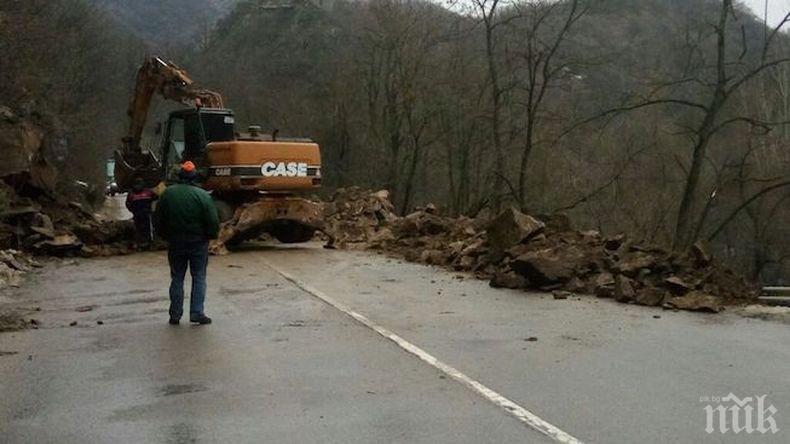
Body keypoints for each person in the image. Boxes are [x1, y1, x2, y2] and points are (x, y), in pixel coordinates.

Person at [155, 161, 219, 325]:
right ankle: (197, 313)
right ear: (194, 176)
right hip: (198, 243)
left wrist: (165, 236)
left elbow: (158, 219)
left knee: (177, 277)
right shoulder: (202, 195)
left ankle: (175, 315)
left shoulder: (167, 194)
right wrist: (210, 236)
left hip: (176, 242)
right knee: (198, 276)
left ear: (180, 176)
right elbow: (212, 221)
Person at [125, 177, 157, 249]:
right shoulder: (148, 192)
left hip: (137, 214)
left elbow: (127, 204)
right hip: (146, 214)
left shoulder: (131, 193)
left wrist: (132, 210)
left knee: (138, 229)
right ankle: (148, 243)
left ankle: (139, 244)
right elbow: (156, 197)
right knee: (147, 229)